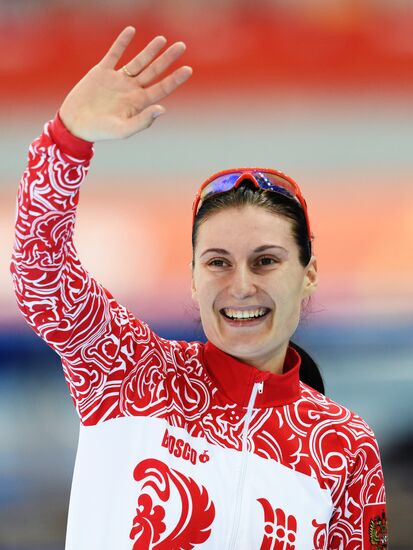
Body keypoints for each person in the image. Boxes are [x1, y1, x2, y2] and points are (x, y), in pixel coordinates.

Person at [10, 26, 387, 549]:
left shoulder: (344, 446)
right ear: (191, 276)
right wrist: (68, 140)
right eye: (217, 262)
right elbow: (40, 272)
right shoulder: (130, 374)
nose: (241, 285)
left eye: (265, 261)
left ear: (309, 275)